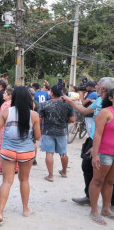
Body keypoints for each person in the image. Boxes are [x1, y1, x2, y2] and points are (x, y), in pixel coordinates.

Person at [62, 77, 114, 206]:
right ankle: (90, 196)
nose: (95, 86)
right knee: (87, 167)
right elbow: (84, 111)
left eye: (97, 84)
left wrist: (97, 148)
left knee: (107, 176)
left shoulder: (108, 106)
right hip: (94, 138)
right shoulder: (99, 100)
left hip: (103, 141)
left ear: (103, 88)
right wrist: (69, 100)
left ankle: (109, 203)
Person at [0, 86, 41, 224]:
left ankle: (0, 212)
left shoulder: (6, 112)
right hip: (26, 152)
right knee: (24, 180)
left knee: (6, 182)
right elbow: (38, 137)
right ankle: (26, 209)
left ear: (13, 98)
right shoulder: (33, 115)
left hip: (8, 150)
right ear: (28, 98)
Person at [87, 89, 114, 225]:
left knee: (110, 182)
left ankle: (105, 209)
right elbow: (97, 134)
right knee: (98, 181)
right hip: (104, 153)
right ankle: (94, 210)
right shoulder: (105, 112)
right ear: (111, 98)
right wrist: (95, 155)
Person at [39, 85, 75, 182]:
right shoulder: (67, 104)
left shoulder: (44, 104)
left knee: (49, 153)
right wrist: (64, 122)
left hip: (48, 131)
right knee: (63, 153)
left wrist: (39, 129)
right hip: (62, 131)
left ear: (51, 93)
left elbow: (40, 119)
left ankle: (50, 176)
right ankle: (64, 172)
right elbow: (72, 119)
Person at [0, 87, 19, 174]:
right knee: (14, 148)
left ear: (9, 95)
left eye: (5, 93)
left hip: (5, 129)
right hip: (15, 128)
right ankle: (15, 168)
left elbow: (1, 118)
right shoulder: (16, 104)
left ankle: (3, 168)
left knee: (4, 148)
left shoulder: (5, 105)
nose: (3, 94)